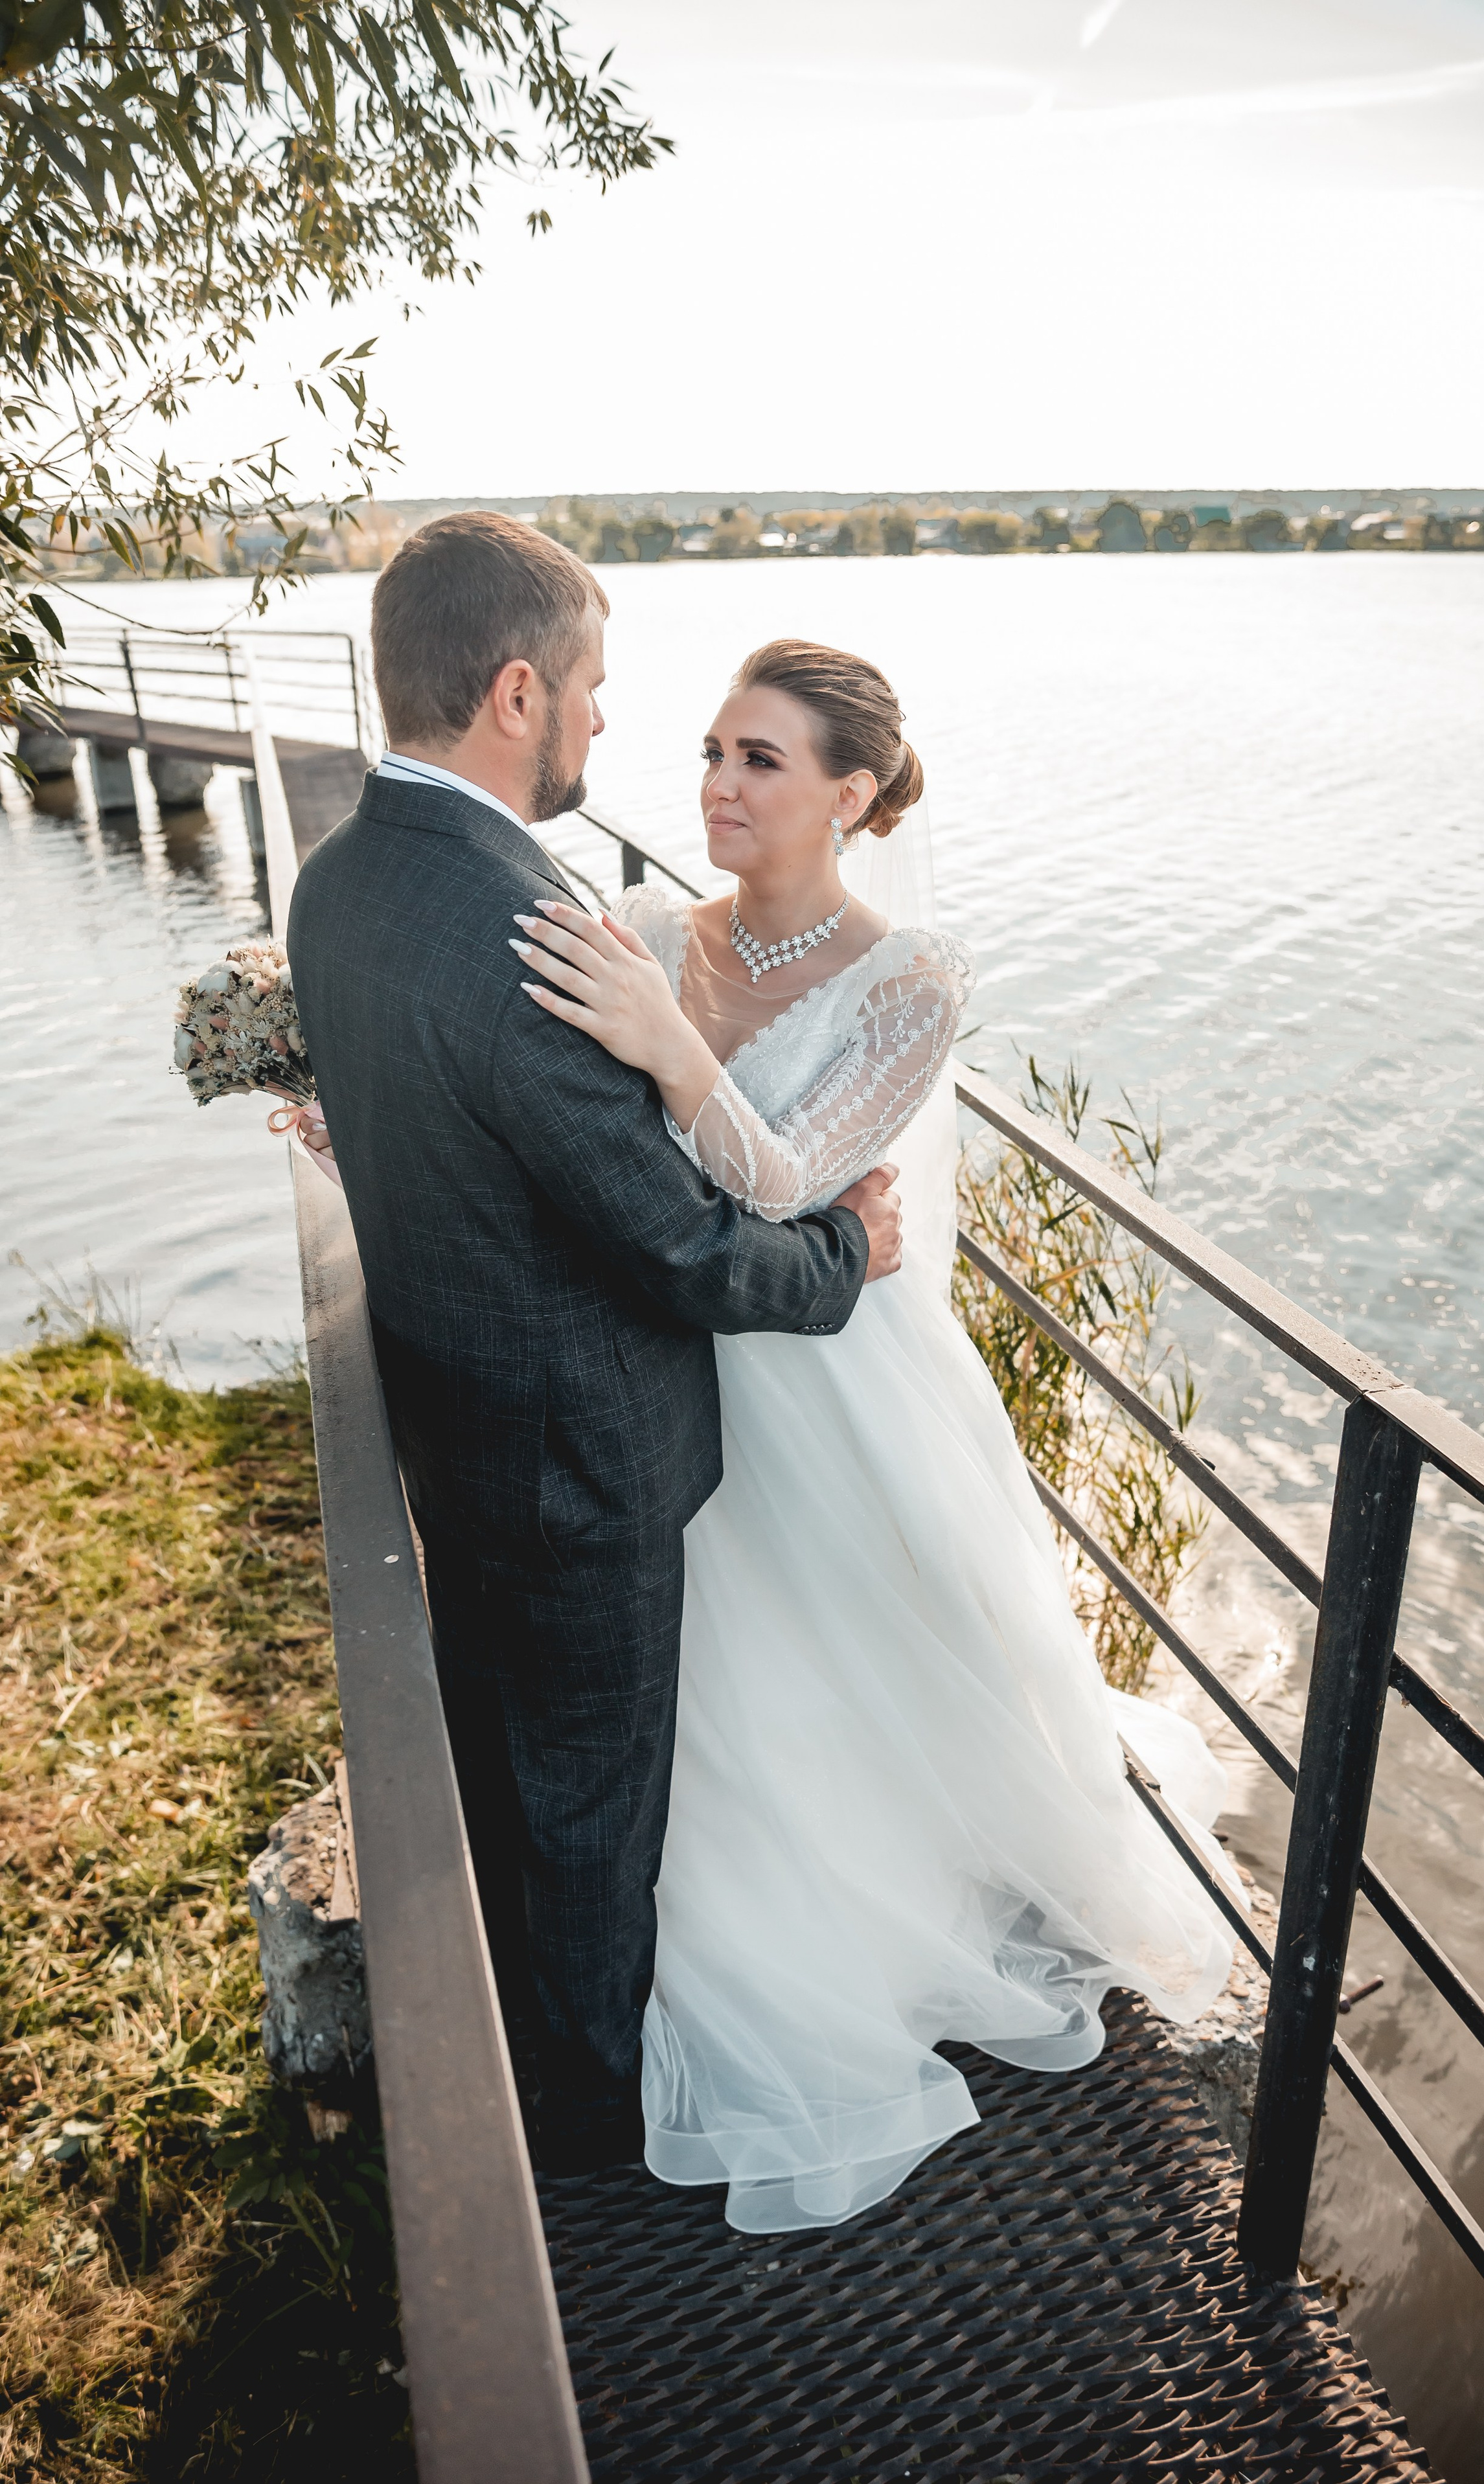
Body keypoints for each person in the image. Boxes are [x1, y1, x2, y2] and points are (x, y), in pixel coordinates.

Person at [509, 636, 1237, 2233]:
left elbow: (782, 1179)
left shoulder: (911, 980)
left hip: (830, 1376)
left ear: (851, 792)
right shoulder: (645, 929)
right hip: (671, 1361)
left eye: (759, 759)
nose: (714, 781)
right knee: (713, 1669)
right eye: (708, 748)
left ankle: (897, 1901)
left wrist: (662, 1040)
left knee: (855, 1644)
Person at [285, 518, 903, 2177]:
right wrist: (847, 1248)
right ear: (511, 692)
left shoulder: (340, 873)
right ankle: (573, 2145)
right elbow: (687, 1247)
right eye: (592, 691)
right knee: (586, 1822)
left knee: (512, 1774)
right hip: (576, 1470)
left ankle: (522, 2059)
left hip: (465, 1428)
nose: (608, 727)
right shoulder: (512, 934)